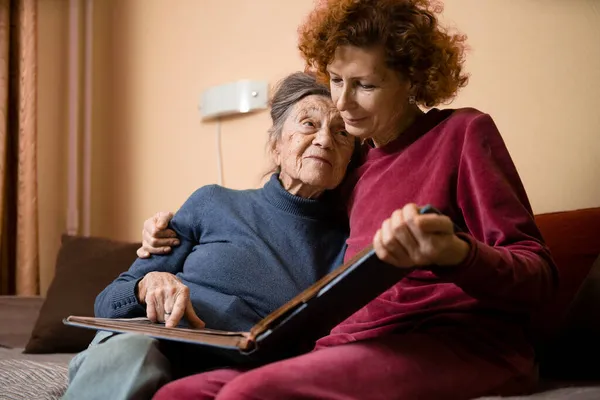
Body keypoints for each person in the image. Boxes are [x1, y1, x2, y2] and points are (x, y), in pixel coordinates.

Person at [148, 1, 558, 399]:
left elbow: (538, 274)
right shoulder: (354, 168)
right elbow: (284, 212)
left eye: (365, 85)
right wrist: (169, 232)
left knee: (250, 393)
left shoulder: (463, 133)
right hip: (351, 345)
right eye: (336, 79)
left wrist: (456, 252)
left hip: (459, 343)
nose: (342, 103)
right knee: (179, 393)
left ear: (412, 80)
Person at [60, 72, 356, 400]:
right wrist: (147, 285)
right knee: (132, 351)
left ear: (349, 159)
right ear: (276, 147)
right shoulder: (212, 202)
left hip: (233, 368)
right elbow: (106, 304)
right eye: (309, 124)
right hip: (150, 341)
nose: (325, 140)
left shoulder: (347, 242)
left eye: (341, 133)